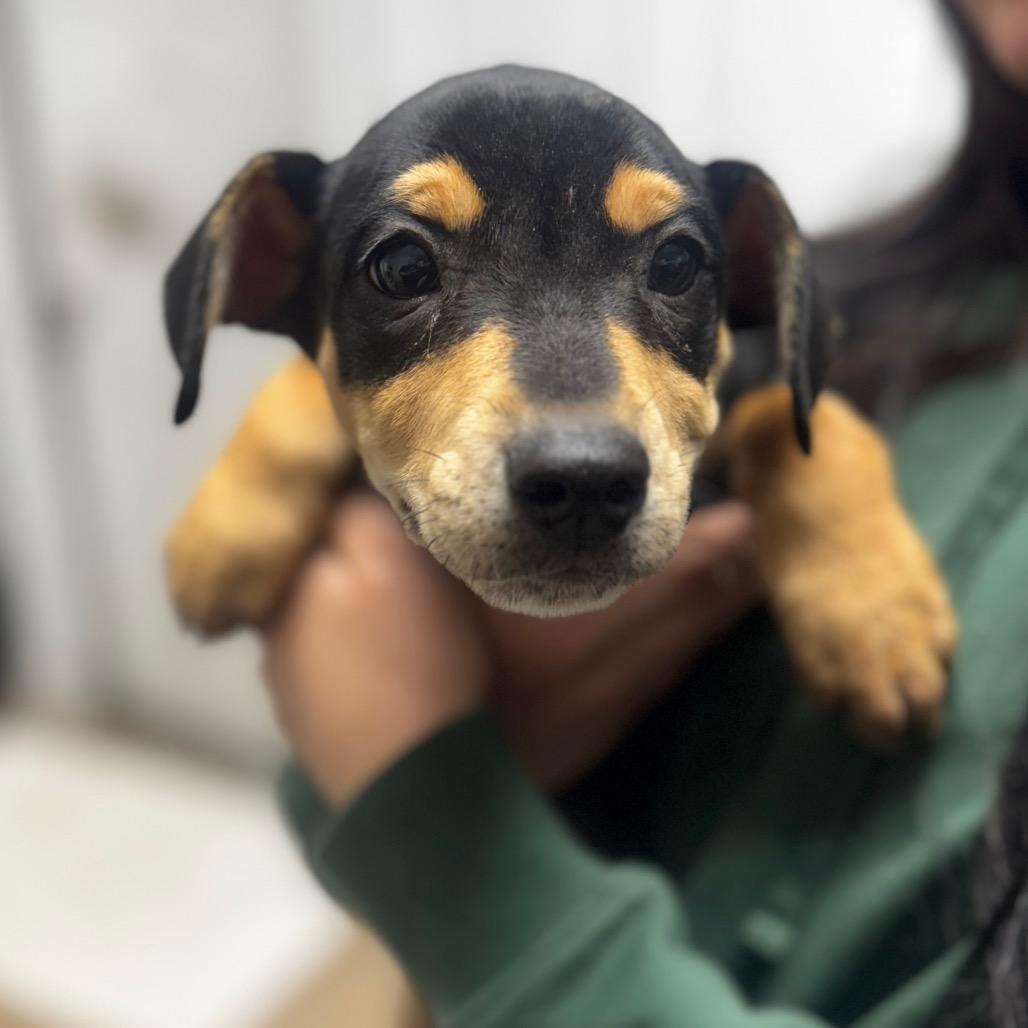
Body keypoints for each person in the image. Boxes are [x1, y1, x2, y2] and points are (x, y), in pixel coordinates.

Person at [267, 2, 1028, 1024]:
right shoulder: (869, 284)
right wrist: (286, 438)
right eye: (406, 267)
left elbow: (386, 756)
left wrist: (432, 805)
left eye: (669, 266)